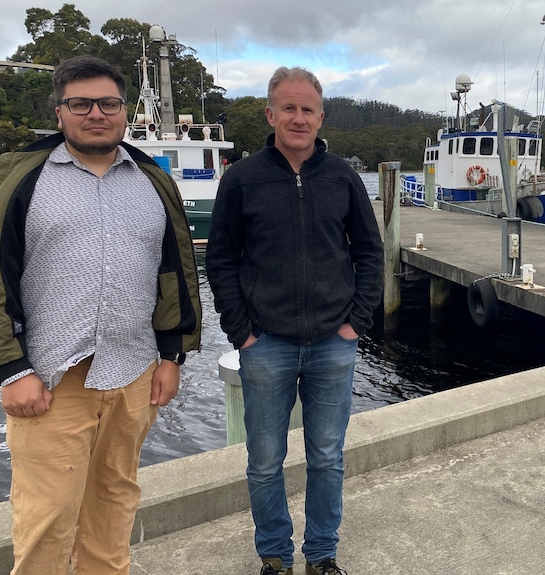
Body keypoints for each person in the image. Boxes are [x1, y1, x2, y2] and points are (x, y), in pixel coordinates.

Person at [0, 55, 202, 575]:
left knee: (113, 503)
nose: (95, 113)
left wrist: (173, 355)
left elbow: (174, 271)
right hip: (52, 376)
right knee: (48, 514)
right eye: (80, 103)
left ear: (124, 110)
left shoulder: (151, 179)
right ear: (59, 111)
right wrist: (11, 369)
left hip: (134, 372)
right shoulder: (19, 177)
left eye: (108, 103)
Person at [206, 66, 384, 575]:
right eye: (289, 108)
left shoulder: (343, 177)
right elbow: (221, 258)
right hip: (265, 345)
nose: (298, 117)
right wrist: (240, 330)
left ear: (321, 117)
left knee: (327, 457)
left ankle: (322, 555)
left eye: (308, 109)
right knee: (264, 462)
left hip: (334, 341)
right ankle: (275, 557)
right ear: (270, 113)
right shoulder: (242, 178)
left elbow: (371, 253)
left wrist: (356, 323)